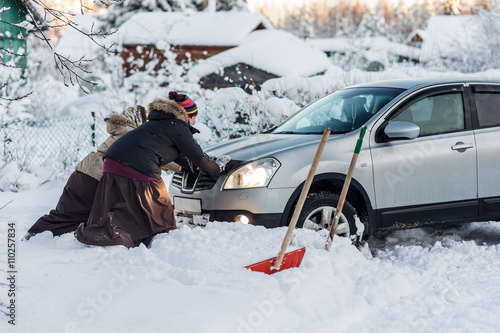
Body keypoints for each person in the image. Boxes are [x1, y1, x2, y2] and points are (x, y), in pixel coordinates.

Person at [75, 92, 233, 248]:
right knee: (161, 206)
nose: (194, 122)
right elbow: (197, 156)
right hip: (137, 165)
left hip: (111, 163)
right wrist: (217, 168)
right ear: (186, 115)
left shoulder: (158, 124)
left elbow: (182, 158)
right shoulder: (178, 127)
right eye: (193, 117)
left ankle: (120, 233)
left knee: (128, 208)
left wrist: (204, 163)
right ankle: (163, 242)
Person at [24, 105, 148, 240]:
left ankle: (36, 234)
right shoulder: (130, 134)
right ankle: (34, 235)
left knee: (67, 215)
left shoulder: (120, 131)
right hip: (93, 179)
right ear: (138, 121)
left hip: (81, 175)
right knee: (71, 216)